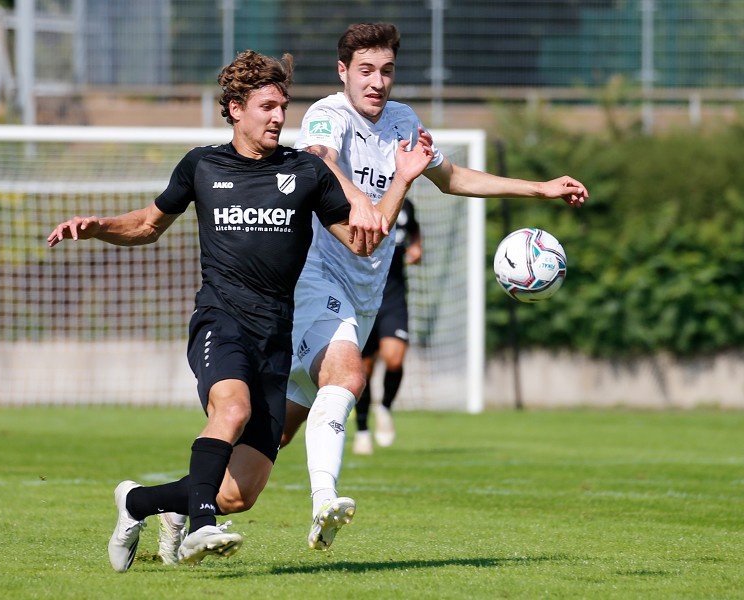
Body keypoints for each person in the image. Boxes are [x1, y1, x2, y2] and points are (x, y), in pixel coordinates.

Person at [47, 50, 434, 572]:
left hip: (277, 337)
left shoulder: (305, 172)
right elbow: (145, 225)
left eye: (284, 106)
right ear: (234, 108)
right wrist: (98, 227)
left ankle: (137, 502)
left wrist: (404, 180)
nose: (279, 117)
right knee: (231, 409)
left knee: (237, 494)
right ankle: (200, 528)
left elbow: (364, 244)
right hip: (221, 321)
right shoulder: (202, 165)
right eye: (267, 106)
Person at [274, 22, 588, 552]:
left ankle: (169, 500)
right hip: (316, 275)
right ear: (343, 71)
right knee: (350, 375)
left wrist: (541, 188)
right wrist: (358, 201)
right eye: (366, 70)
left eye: (387, 71)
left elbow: (453, 178)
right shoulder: (328, 114)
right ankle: (323, 501)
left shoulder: (403, 121)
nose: (378, 82)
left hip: (367, 290)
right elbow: (319, 161)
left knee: (272, 436)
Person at [353, 196, 421, 455]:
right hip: (362, 293)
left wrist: (416, 247)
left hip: (393, 294)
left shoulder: (406, 204)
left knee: (394, 359)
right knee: (363, 369)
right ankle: (362, 430)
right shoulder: (359, 200)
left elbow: (414, 228)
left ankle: (384, 408)